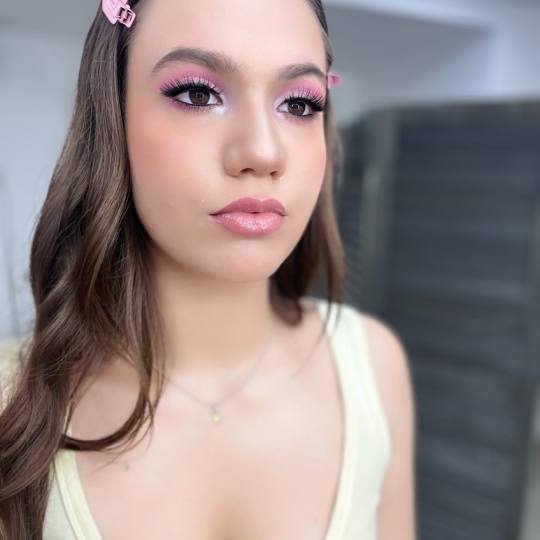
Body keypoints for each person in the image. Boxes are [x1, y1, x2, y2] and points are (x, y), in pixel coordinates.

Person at [0, 0, 416, 538]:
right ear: (112, 116)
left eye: (299, 103)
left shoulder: (374, 367)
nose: (263, 152)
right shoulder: (9, 401)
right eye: (197, 94)